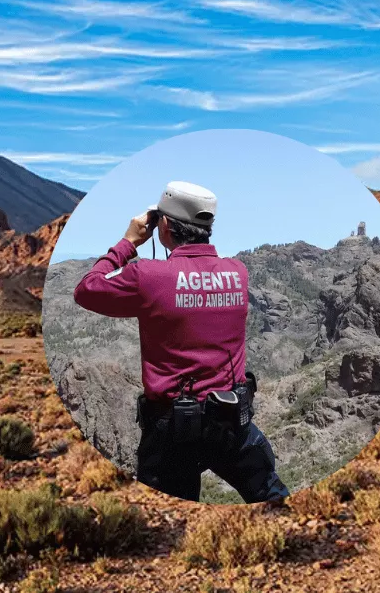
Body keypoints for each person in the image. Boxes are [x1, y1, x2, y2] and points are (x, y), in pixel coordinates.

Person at [73, 181, 289, 503]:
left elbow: (86, 289)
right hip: (231, 419)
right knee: (271, 496)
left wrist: (129, 241)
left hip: (171, 431)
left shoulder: (148, 276)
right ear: (208, 227)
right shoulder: (237, 272)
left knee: (169, 516)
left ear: (164, 224)